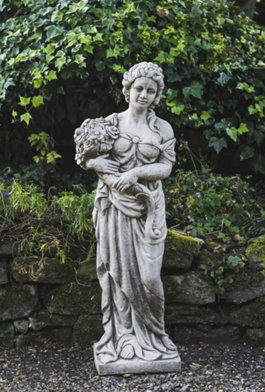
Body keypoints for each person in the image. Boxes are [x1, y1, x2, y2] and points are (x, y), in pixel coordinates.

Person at [83, 62, 180, 368]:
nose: (144, 95)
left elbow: (165, 167)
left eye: (151, 91)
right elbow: (86, 157)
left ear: (156, 95)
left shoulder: (162, 129)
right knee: (118, 273)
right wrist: (100, 167)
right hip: (114, 206)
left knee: (150, 276)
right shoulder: (111, 123)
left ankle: (154, 335)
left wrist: (136, 173)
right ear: (127, 89)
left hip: (149, 207)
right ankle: (123, 337)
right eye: (139, 88)